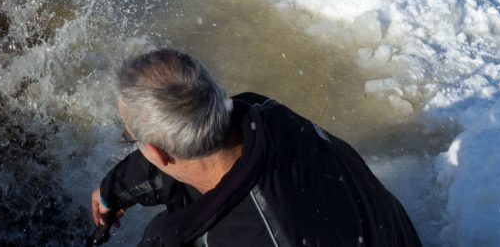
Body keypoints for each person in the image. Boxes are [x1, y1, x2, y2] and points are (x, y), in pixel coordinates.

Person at [91, 49, 422, 247]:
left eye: (128, 133)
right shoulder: (260, 113)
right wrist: (113, 191)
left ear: (158, 152)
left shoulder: (250, 238)